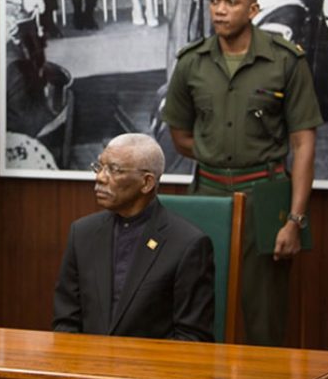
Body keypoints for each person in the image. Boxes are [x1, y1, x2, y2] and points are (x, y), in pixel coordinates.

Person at [163, 0, 323, 346]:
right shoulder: (191, 62)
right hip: (207, 194)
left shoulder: (285, 60)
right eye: (215, 1)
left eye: (232, 2)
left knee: (264, 315)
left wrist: (295, 220)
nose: (220, 10)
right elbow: (180, 135)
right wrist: (216, 155)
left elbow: (304, 145)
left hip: (266, 198)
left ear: (253, 10)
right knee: (198, 307)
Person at [52, 133, 215, 341]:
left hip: (150, 370)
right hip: (88, 366)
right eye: (99, 167)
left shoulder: (187, 245)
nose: (100, 177)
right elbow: (65, 322)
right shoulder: (82, 233)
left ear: (146, 183)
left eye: (114, 170)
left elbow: (192, 338)